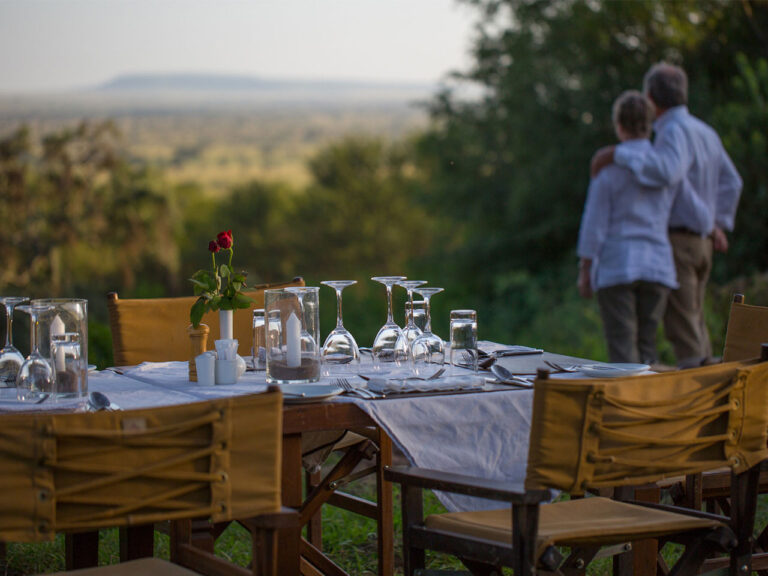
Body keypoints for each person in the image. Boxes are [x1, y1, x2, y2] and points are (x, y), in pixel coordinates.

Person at [591, 63, 743, 368]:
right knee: (695, 323)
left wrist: (615, 154)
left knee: (683, 331)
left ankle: (701, 406)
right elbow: (732, 182)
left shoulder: (672, 132)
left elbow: (666, 172)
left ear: (650, 98)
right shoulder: (705, 131)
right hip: (701, 241)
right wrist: (716, 224)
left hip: (677, 241)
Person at [578, 90, 708, 365]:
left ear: (619, 125)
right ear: (650, 125)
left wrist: (586, 268)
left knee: (622, 345)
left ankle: (625, 406)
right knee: (648, 346)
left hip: (617, 265)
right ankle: (649, 404)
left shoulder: (608, 170)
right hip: (657, 265)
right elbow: (695, 211)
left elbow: (595, 222)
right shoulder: (666, 169)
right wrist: (712, 228)